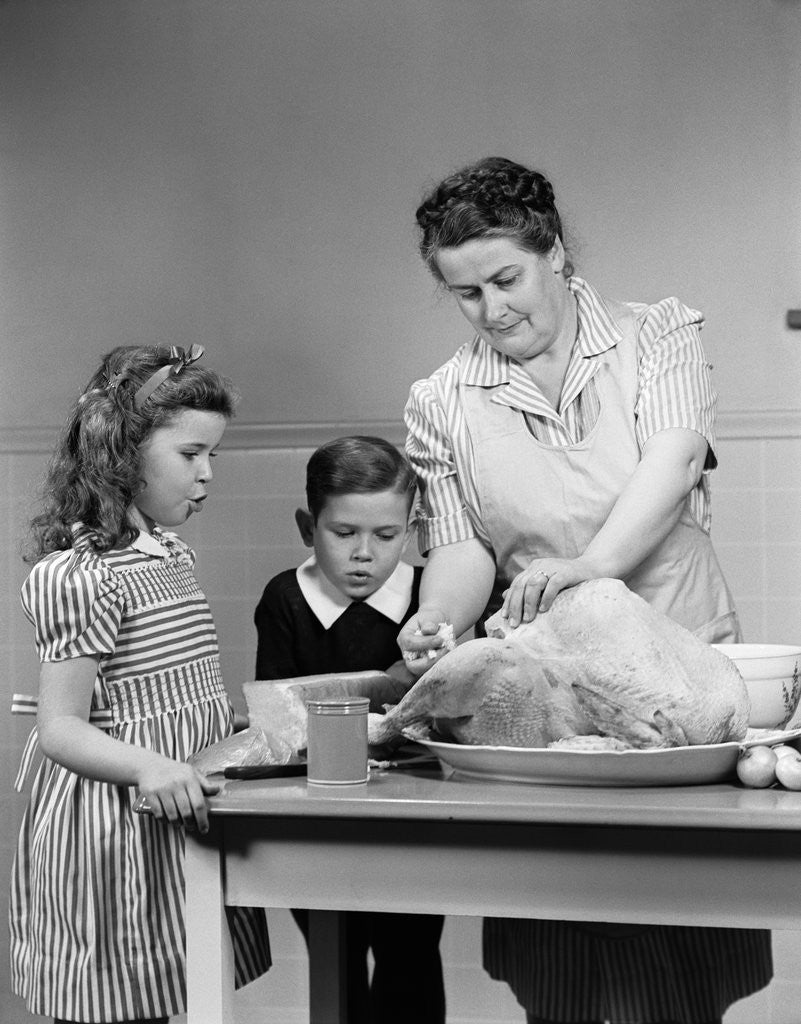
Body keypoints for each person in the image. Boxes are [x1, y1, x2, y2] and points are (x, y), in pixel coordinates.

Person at [397, 157, 772, 1024]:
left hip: (675, 678)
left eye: (505, 278)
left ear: (554, 252)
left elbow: (673, 462)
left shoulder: (655, 336)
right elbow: (461, 550)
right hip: (545, 700)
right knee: (556, 956)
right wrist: (436, 618)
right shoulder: (441, 399)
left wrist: (593, 565)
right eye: (465, 293)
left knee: (679, 955)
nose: (492, 310)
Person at [10, 345, 270, 1024]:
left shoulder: (169, 556)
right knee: (117, 1004)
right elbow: (60, 727)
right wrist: (151, 761)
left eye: (212, 455)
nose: (207, 474)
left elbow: (155, 692)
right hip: (111, 833)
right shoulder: (83, 575)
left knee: (169, 996)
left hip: (167, 823)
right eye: (190, 455)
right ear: (122, 453)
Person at [254, 435, 446, 1024]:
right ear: (306, 526)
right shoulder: (285, 599)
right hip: (314, 827)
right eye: (344, 534)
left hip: (412, 829)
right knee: (333, 972)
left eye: (386, 536)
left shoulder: (434, 600)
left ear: (412, 531)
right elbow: (277, 720)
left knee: (410, 963)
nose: (364, 553)